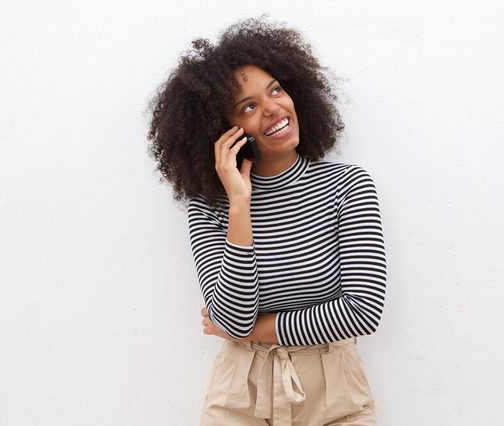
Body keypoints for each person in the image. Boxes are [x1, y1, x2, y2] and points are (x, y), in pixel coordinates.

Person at [148, 17, 387, 425]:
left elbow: (363, 310)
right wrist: (240, 204)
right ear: (224, 131)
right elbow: (232, 316)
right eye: (249, 106)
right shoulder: (210, 207)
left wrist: (254, 332)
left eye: (275, 89)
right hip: (241, 392)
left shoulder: (346, 185)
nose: (274, 107)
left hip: (334, 389)